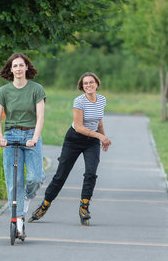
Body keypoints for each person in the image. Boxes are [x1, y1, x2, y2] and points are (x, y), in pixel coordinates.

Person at [29, 72, 111, 225]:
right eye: (85, 83)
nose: (89, 85)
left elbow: (99, 121)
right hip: (74, 139)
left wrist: (103, 138)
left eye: (91, 82)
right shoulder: (79, 101)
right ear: (82, 87)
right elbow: (79, 127)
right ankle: (44, 205)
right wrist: (100, 136)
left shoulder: (102, 100)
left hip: (92, 141)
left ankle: (84, 207)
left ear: (97, 84)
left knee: (91, 173)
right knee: (61, 175)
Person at [0, 53, 46, 239]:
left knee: (36, 177)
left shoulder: (36, 89)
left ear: (26, 68)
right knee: (13, 182)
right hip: (11, 136)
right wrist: (1, 137)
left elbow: (40, 117)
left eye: (21, 65)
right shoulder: (3, 92)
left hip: (31, 135)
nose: (17, 69)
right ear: (10, 69)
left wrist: (34, 137)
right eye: (14, 66)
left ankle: (24, 199)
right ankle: (18, 222)